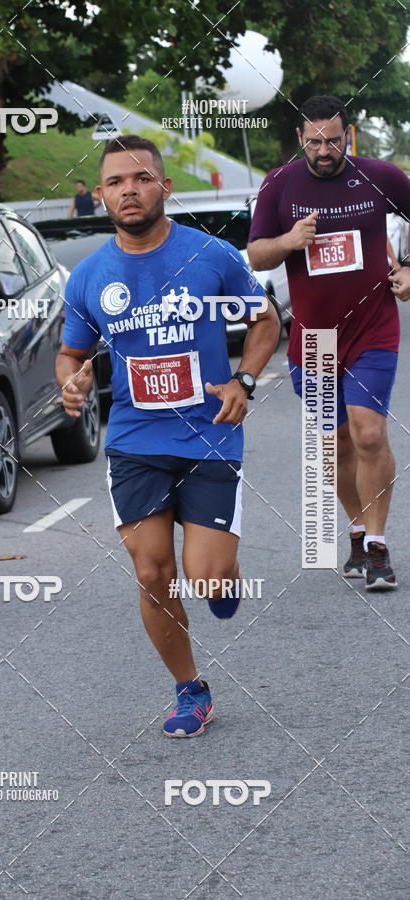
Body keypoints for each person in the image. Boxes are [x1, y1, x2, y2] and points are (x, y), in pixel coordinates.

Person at [55, 135, 279, 737]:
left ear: (164, 186)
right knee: (152, 570)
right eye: (116, 182)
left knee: (205, 576)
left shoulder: (212, 256)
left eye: (141, 178)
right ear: (101, 194)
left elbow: (265, 320)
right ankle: (190, 690)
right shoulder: (89, 277)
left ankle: (221, 577)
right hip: (134, 440)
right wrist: (72, 386)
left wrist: (245, 380)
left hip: (209, 435)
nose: (129, 189)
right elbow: (71, 353)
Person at [248, 95, 410, 590]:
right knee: (335, 444)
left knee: (367, 433)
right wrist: (289, 241)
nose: (324, 150)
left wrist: (407, 270)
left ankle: (378, 546)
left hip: (373, 329)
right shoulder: (279, 184)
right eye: (315, 141)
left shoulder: (380, 177)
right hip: (314, 338)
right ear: (300, 138)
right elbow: (257, 255)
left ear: (348, 136)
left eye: (333, 141)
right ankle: (357, 530)